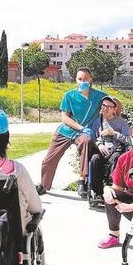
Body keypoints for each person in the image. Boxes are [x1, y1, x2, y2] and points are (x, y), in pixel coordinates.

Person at [38, 67, 107, 195]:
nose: (82, 82)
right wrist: (81, 127)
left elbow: (114, 103)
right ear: (76, 80)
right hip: (67, 130)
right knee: (49, 158)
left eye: (85, 79)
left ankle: (82, 182)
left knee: (86, 142)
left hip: (84, 133)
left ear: (91, 79)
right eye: (80, 79)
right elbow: (64, 117)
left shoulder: (99, 96)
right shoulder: (69, 95)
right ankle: (44, 184)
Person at [86, 96, 130, 201]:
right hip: (101, 151)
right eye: (103, 105)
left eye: (108, 106)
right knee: (95, 159)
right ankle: (97, 192)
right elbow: (93, 137)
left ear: (114, 109)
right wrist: (99, 144)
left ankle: (113, 188)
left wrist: (114, 133)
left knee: (116, 158)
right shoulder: (97, 122)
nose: (105, 108)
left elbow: (129, 140)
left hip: (116, 151)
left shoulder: (121, 122)